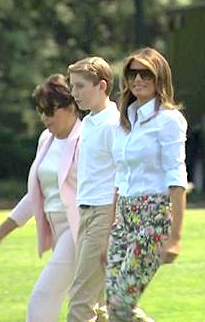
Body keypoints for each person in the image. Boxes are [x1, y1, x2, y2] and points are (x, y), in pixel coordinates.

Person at [0, 74, 82, 322]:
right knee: (99, 308)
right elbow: (35, 197)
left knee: (43, 298)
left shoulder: (88, 138)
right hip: (59, 230)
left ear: (70, 106)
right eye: (40, 110)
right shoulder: (46, 139)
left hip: (82, 231)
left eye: (49, 110)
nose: (44, 117)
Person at [105, 47, 188, 322]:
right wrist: (111, 227)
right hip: (124, 216)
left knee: (120, 304)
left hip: (154, 215)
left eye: (146, 74)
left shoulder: (168, 120)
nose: (138, 79)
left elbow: (177, 179)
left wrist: (175, 238)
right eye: (132, 74)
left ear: (159, 78)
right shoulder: (123, 122)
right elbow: (119, 178)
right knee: (113, 306)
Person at [67, 57, 118, 322]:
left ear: (101, 85)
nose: (73, 93)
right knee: (103, 306)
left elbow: (124, 175)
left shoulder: (114, 124)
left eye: (79, 86)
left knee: (81, 300)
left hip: (105, 214)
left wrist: (112, 223)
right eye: (72, 86)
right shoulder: (88, 122)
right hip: (87, 213)